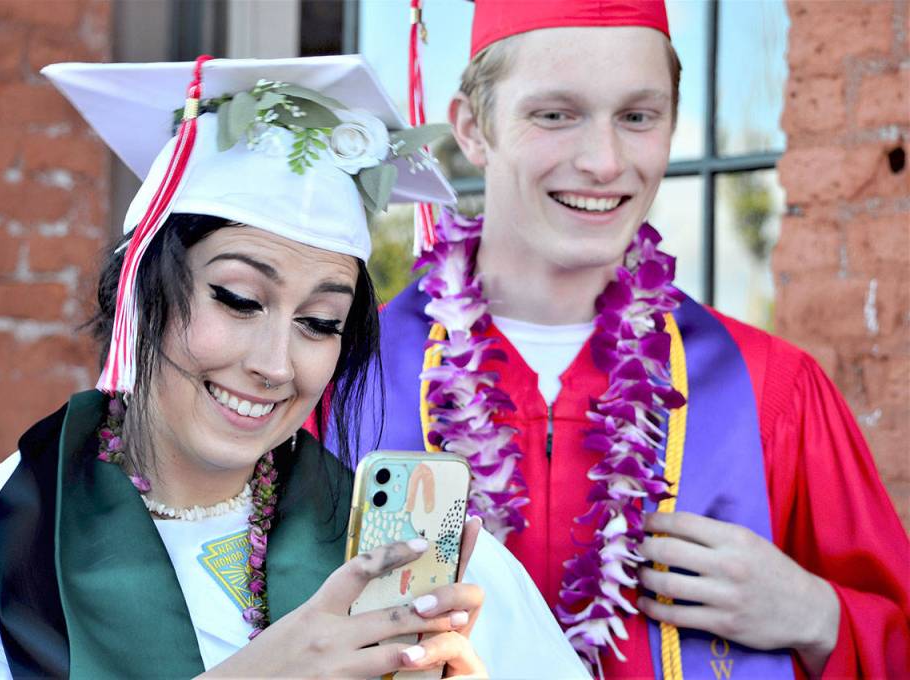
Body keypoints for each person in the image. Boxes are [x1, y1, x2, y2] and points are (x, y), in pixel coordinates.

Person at [0, 55, 590, 679]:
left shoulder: (416, 568)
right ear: (140, 287)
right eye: (240, 299)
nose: (275, 364)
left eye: (320, 323)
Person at [328, 2, 910, 678]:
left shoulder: (768, 390)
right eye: (555, 114)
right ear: (472, 129)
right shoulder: (349, 381)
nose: (604, 163)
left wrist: (818, 616)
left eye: (637, 117)